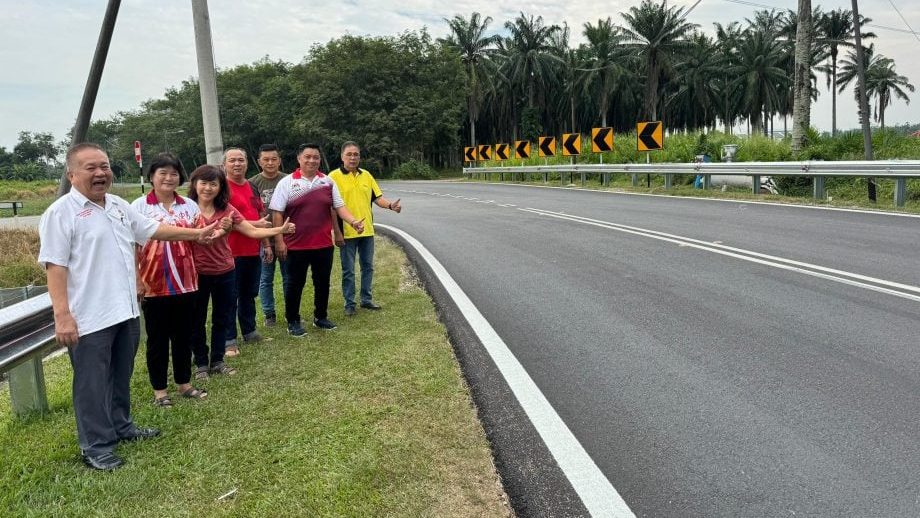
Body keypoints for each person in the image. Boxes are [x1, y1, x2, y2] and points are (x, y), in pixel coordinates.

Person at [39, 143, 221, 471]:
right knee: (92, 383)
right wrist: (62, 315)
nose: (100, 173)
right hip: (89, 317)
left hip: (125, 311)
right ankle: (96, 446)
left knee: (120, 375)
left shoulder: (118, 206)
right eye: (91, 168)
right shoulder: (60, 213)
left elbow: (153, 229)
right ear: (71, 174)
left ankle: (122, 426)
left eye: (104, 166)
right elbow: (55, 266)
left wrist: (196, 234)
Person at [187, 165, 295, 380]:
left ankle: (217, 361)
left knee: (222, 316)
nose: (208, 188)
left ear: (220, 187)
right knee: (196, 319)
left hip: (225, 271)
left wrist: (279, 230)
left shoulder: (226, 209)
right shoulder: (187, 209)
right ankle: (200, 364)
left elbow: (252, 230)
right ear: (195, 185)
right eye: (203, 183)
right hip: (195, 272)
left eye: (213, 184)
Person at [132, 153, 208, 408]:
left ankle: (184, 383)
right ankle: (160, 391)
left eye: (173, 173)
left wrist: (219, 231)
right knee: (157, 340)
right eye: (162, 173)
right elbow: (131, 246)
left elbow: (200, 237)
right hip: (153, 285)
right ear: (151, 177)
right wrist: (137, 279)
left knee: (183, 336)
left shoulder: (190, 205)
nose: (168, 178)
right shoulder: (139, 207)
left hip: (187, 282)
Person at [269, 143, 365, 337]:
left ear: (320, 160)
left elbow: (339, 207)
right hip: (296, 245)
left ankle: (320, 317)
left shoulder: (327, 182)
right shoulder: (287, 183)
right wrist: (279, 240)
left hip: (323, 244)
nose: (312, 160)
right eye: (307, 157)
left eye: (316, 157)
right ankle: (293, 320)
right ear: (299, 159)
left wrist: (353, 221)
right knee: (294, 284)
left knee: (322, 282)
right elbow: (277, 213)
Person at [329, 141, 402, 316]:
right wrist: (336, 232)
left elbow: (377, 198)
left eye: (356, 154)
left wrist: (390, 205)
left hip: (367, 231)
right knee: (348, 270)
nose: (353, 158)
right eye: (349, 154)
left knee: (367, 266)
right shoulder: (333, 177)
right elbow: (331, 208)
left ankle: (366, 299)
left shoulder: (366, 175)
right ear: (342, 156)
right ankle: (349, 303)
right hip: (346, 232)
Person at [223, 148, 270, 355]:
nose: (237, 164)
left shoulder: (252, 186)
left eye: (241, 160)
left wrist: (266, 244)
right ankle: (228, 339)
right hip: (230, 252)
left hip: (252, 250)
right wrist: (256, 224)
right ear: (224, 164)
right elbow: (222, 221)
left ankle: (249, 331)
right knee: (229, 297)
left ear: (247, 163)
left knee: (249, 294)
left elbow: (261, 217)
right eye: (232, 160)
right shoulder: (221, 188)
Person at [249, 144, 289, 327]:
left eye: (274, 159)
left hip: (286, 238)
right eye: (266, 159)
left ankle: (291, 311)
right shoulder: (253, 183)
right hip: (263, 239)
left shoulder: (288, 180)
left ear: (279, 161)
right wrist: (265, 244)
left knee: (289, 277)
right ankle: (269, 314)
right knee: (265, 279)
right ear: (259, 162)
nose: (270, 163)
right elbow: (255, 215)